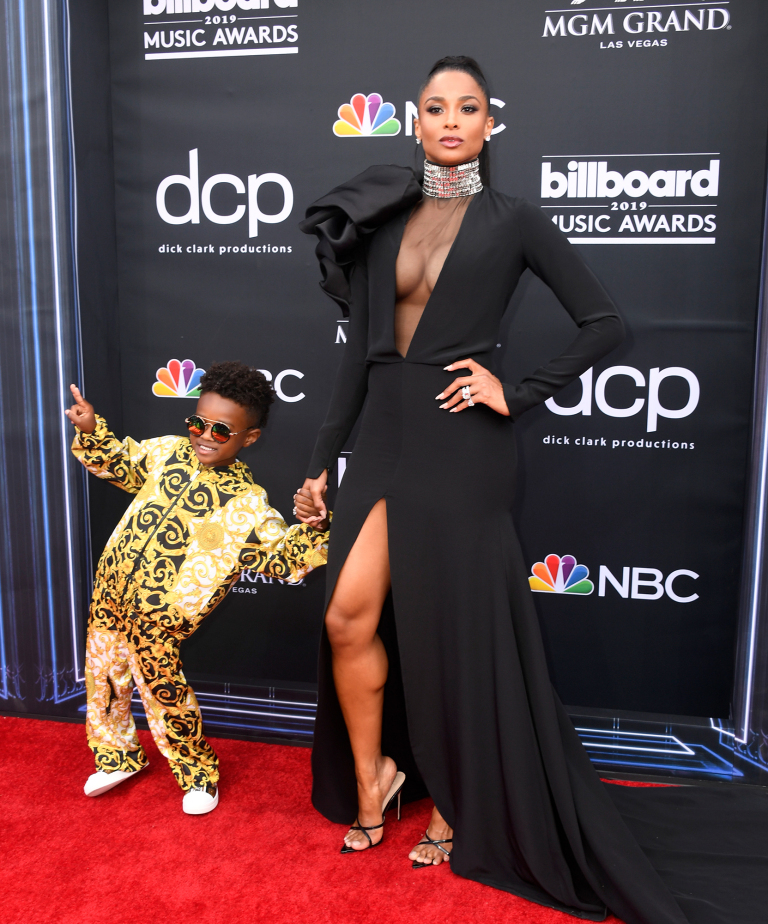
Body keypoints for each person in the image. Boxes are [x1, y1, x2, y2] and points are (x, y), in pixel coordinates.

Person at [296, 57, 768, 924]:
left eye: (466, 108)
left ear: (488, 123)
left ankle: (453, 802)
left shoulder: (514, 221)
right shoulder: (381, 218)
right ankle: (375, 780)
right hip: (389, 436)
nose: (449, 121)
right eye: (435, 107)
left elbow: (605, 322)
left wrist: (515, 390)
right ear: (414, 119)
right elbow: (353, 358)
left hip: (466, 448)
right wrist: (323, 461)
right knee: (346, 617)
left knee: (452, 639)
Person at [67, 361, 329, 815]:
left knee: (166, 696)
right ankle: (117, 755)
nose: (205, 436)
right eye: (197, 423)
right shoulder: (166, 452)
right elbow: (120, 467)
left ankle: (198, 774)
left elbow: (285, 562)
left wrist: (312, 525)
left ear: (249, 438)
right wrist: (92, 429)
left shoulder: (247, 504)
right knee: (104, 680)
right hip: (109, 597)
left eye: (221, 431)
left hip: (160, 621)